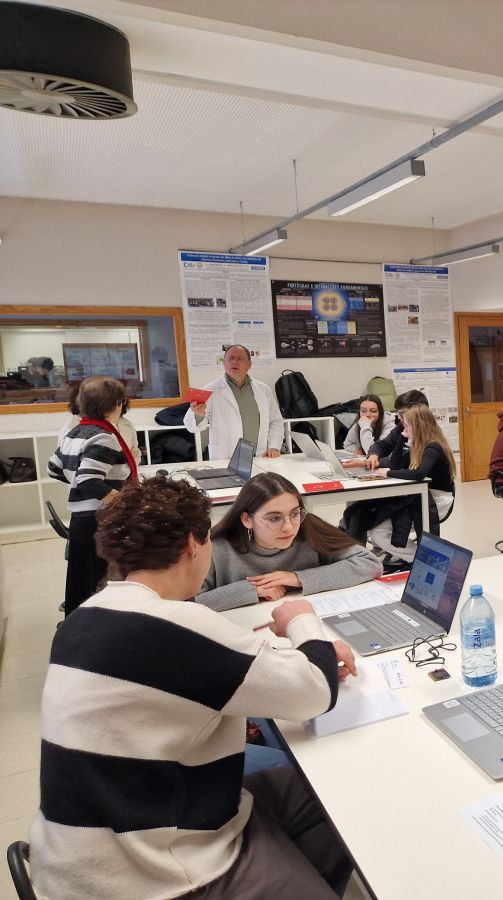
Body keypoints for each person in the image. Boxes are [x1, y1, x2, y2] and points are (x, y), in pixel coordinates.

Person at [30, 476, 357, 899]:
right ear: (192, 544)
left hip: (80, 848)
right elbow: (314, 693)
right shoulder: (181, 624)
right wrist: (302, 621)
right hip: (145, 876)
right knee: (332, 795)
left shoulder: (87, 615)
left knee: (322, 794)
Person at [195, 471, 383, 611]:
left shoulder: (308, 527)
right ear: (247, 519)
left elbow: (369, 562)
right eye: (274, 518)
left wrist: (296, 578)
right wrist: (253, 590)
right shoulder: (215, 548)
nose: (289, 527)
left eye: (294, 514)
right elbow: (186, 605)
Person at [47, 376, 137, 615]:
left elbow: (53, 468)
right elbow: (89, 480)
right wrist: (123, 502)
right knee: (98, 582)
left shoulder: (76, 432)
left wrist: (77, 482)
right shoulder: (103, 436)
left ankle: (77, 626)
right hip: (99, 520)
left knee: (80, 581)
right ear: (116, 404)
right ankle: (97, 628)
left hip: (81, 519)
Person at [346, 404, 456, 567]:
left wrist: (387, 473)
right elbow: (396, 465)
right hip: (419, 496)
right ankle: (421, 557)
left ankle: (426, 560)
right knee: (376, 528)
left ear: (418, 426)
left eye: (406, 425)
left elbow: (418, 474)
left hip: (436, 501)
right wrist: (402, 439)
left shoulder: (433, 447)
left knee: (379, 532)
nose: (403, 429)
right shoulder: (417, 443)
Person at [184, 344, 285, 459]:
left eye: (240, 359)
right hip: (226, 457)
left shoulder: (263, 389)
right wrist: (198, 415)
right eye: (230, 358)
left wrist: (274, 447)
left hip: (259, 456)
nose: (234, 362)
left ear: (249, 364)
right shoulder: (210, 390)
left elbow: (276, 421)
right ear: (224, 363)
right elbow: (191, 427)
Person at [349, 388, 429, 470]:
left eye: (402, 413)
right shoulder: (402, 426)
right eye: (398, 413)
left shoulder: (427, 434)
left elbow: (402, 460)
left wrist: (370, 463)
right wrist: (373, 454)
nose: (398, 417)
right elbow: (384, 444)